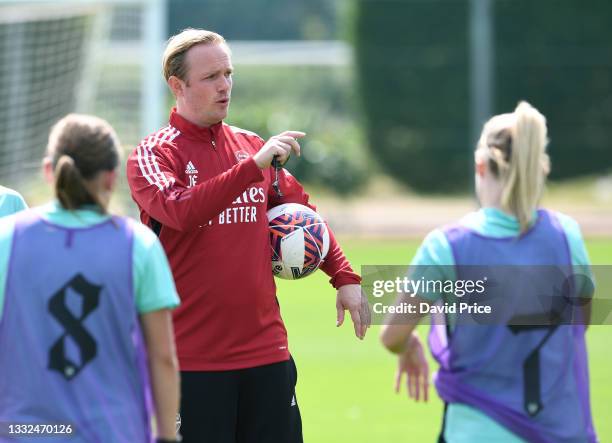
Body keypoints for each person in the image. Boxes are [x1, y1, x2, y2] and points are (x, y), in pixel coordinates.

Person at [126, 28, 369, 443]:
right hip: (191, 361)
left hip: (266, 352)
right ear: (177, 85)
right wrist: (251, 168)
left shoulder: (249, 146)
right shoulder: (152, 154)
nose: (225, 86)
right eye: (211, 77)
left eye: (228, 73)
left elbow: (302, 213)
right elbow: (183, 211)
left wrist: (344, 277)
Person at [380, 102, 598, 443]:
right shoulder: (567, 235)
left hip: (475, 432)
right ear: (539, 168)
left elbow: (392, 335)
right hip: (556, 429)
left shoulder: (445, 245)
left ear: (480, 165)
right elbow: (579, 324)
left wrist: (409, 344)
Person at [0, 114, 181, 443]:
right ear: (112, 177)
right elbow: (163, 357)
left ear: (48, 170)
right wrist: (167, 435)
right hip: (114, 431)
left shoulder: (6, 238)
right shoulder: (138, 245)